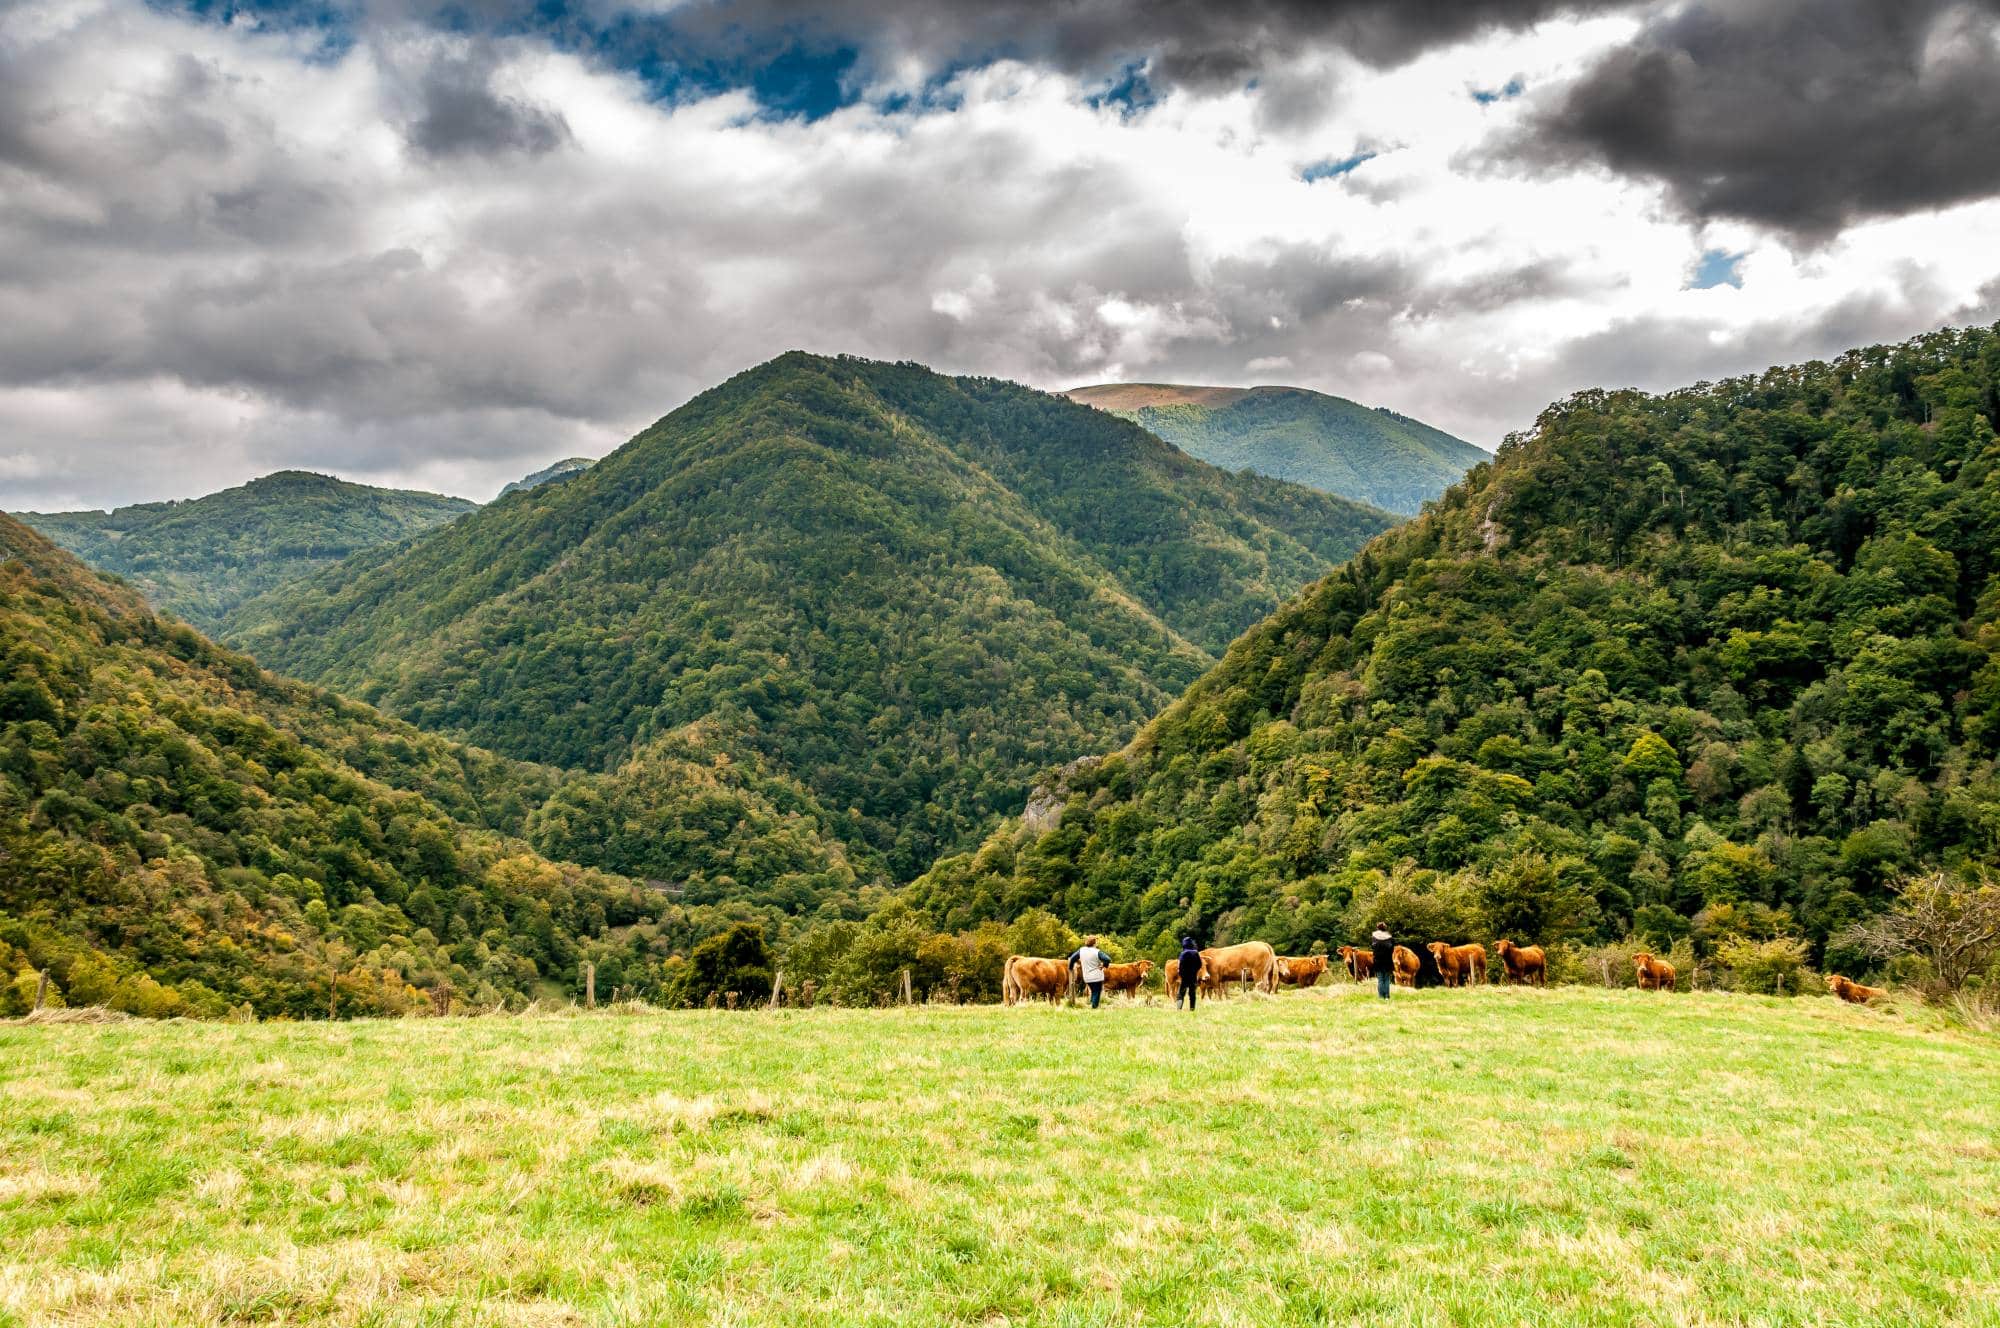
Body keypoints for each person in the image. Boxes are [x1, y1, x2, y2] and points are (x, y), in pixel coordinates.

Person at [1068, 936, 1111, 1008]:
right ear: (1094, 943)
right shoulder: (1097, 951)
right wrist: (1104, 965)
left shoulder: (1081, 950)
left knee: (1093, 991)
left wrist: (1070, 968)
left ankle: (1091, 1004)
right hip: (1097, 976)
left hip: (1087, 977)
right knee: (1096, 992)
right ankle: (1094, 1007)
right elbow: (1108, 959)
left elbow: (1072, 958)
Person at [1176, 937, 1203, 1011]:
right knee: (1192, 994)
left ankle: (1179, 1009)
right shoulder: (1196, 953)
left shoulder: (1183, 953)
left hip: (1184, 977)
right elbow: (1200, 964)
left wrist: (1181, 974)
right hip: (1193, 977)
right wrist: (1195, 971)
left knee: (1180, 994)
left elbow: (1180, 965)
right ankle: (1192, 1009)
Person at [1371, 926, 1395, 999]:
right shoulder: (1390, 938)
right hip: (1388, 961)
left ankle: (1381, 996)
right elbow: (1392, 950)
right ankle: (1387, 996)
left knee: (1380, 979)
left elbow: (1372, 948)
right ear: (1385, 928)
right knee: (1387, 979)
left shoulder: (1374, 937)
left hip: (1378, 961)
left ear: (1378, 928)